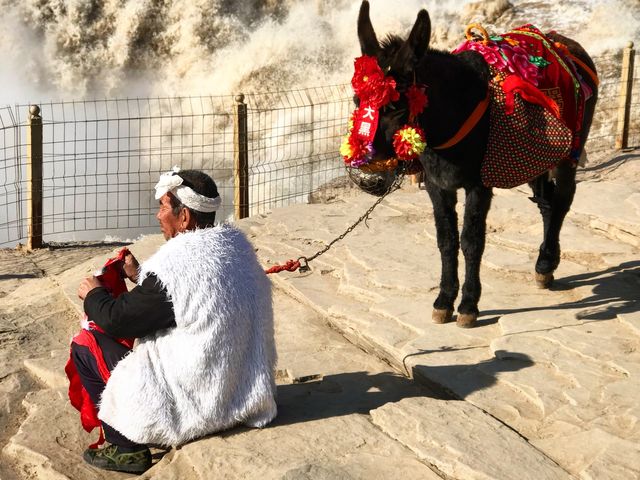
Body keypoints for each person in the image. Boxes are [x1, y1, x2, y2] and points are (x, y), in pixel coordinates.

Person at [70, 167, 277, 474]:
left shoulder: (178, 265)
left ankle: (125, 446)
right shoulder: (237, 249)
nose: (157, 215)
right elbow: (191, 297)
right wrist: (140, 276)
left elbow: (119, 320)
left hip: (199, 403)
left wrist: (93, 295)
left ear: (185, 218)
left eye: (163, 207)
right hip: (242, 392)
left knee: (86, 344)